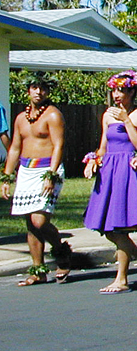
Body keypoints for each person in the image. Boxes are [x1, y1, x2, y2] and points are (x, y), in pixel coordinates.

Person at [83, 70, 137, 293]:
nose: (117, 95)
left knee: (119, 226)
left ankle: (122, 278)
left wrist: (126, 120)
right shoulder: (107, 115)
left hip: (129, 171)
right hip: (110, 171)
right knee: (108, 228)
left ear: (133, 91)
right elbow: (103, 146)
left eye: (123, 90)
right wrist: (94, 161)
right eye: (115, 90)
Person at [0, 74, 70, 286]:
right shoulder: (21, 118)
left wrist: (52, 173)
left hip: (47, 169)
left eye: (43, 88)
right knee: (30, 223)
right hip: (26, 171)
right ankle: (38, 270)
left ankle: (61, 251)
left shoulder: (53, 115)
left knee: (39, 220)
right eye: (34, 87)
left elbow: (58, 145)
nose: (38, 92)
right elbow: (14, 148)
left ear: (48, 92)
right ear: (28, 90)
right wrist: (7, 176)